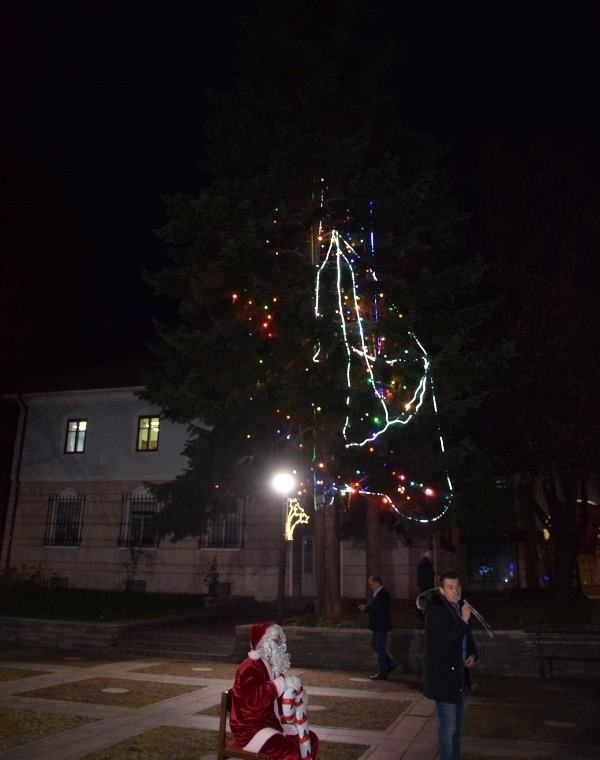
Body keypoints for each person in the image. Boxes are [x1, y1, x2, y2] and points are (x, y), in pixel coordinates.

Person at [230, 621, 319, 760]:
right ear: (263, 644)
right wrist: (281, 684)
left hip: (273, 724)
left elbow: (282, 704)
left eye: (280, 640)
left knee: (311, 739)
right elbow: (253, 700)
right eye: (275, 640)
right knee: (289, 751)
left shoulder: (274, 668)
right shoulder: (249, 667)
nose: (280, 645)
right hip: (251, 730)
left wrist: (298, 698)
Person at [420, 570, 478, 760]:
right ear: (441, 590)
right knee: (448, 727)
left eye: (458, 587)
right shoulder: (435, 612)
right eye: (450, 588)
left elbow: (466, 638)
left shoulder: (458, 608)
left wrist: (472, 654)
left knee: (457, 728)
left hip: (460, 676)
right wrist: (464, 620)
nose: (455, 591)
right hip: (444, 678)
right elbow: (445, 644)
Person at [358, 575, 396, 680]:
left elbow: (379, 608)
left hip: (381, 625)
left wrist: (366, 608)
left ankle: (383, 672)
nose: (371, 586)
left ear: (378, 583)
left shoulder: (383, 593)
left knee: (378, 646)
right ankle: (389, 664)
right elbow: (376, 607)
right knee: (376, 645)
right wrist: (366, 608)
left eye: (372, 584)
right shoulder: (379, 593)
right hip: (378, 625)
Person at [416, 547, 435, 624]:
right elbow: (427, 575)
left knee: (424, 601)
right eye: (431, 555)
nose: (432, 557)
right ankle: (422, 617)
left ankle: (422, 616)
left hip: (424, 586)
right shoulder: (425, 563)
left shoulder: (424, 563)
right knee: (425, 601)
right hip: (426, 586)